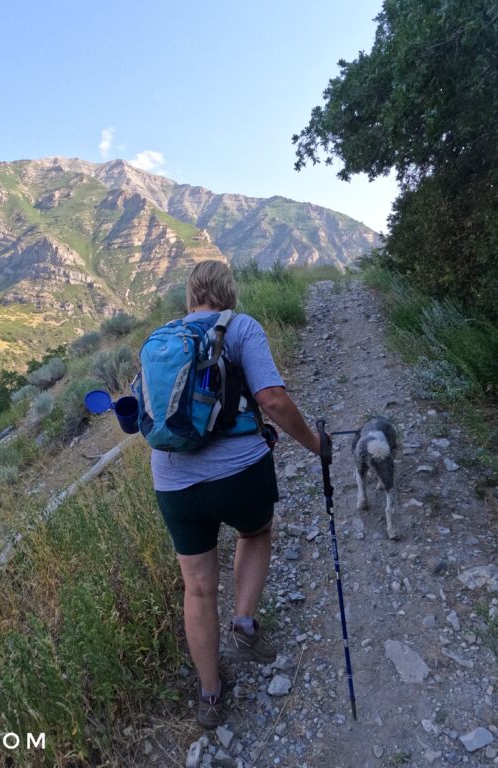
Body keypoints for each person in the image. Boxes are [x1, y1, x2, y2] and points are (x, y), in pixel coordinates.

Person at [151, 260, 321, 728]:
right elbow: (272, 399)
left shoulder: (161, 339)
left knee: (198, 587)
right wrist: (314, 444)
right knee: (255, 532)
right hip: (239, 471)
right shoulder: (241, 326)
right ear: (229, 293)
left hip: (172, 481)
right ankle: (243, 623)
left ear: (191, 295)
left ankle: (209, 694)